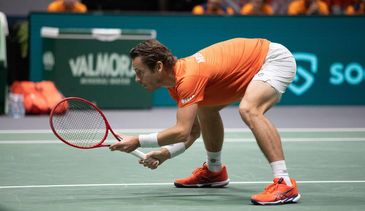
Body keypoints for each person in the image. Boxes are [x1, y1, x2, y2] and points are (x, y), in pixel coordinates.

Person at [109, 38, 301, 205]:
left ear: (159, 67)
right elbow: (192, 131)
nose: (137, 78)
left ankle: (284, 183)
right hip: (250, 65)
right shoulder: (176, 83)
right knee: (206, 109)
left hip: (272, 60)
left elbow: (181, 131)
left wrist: (137, 140)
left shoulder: (189, 77)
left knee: (250, 109)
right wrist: (165, 154)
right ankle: (214, 171)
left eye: (140, 72)